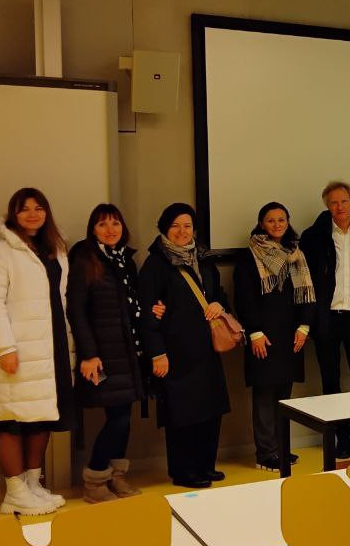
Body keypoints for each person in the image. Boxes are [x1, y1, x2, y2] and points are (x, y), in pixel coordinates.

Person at [0, 187, 74, 515]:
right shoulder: (1, 252)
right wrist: (5, 347)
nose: (32, 214)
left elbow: (61, 299)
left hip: (50, 346)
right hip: (16, 348)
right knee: (10, 419)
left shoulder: (55, 249)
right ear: (13, 214)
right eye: (24, 209)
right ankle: (15, 492)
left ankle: (33, 485)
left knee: (41, 417)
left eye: (38, 208)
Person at [139, 202, 231, 489]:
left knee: (210, 410)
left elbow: (219, 295)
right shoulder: (155, 264)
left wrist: (219, 304)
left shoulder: (204, 259)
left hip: (207, 349)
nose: (182, 231)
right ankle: (183, 471)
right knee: (182, 414)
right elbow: (147, 314)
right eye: (175, 226)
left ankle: (205, 465)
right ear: (165, 228)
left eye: (187, 226)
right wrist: (157, 353)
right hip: (175, 351)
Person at [66, 204, 150, 503]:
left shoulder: (125, 260)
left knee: (124, 416)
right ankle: (95, 479)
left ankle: (116, 476)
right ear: (93, 229)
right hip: (101, 357)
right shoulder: (86, 260)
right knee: (118, 418)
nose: (110, 229)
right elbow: (76, 310)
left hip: (128, 354)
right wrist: (89, 354)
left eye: (115, 223)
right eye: (102, 224)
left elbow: (131, 304)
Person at [300, 181, 350, 459]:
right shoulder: (313, 236)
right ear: (327, 205)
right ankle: (340, 438)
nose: (340, 207)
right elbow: (306, 280)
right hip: (327, 318)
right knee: (330, 381)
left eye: (344, 201)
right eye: (334, 202)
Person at [233, 201, 316, 471]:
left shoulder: (296, 253)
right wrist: (254, 332)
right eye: (271, 220)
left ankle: (281, 448)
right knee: (264, 394)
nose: (277, 225)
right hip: (264, 335)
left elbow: (307, 294)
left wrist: (304, 327)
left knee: (283, 394)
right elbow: (244, 298)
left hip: (290, 334)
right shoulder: (250, 255)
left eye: (282, 220)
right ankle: (265, 453)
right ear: (261, 224)